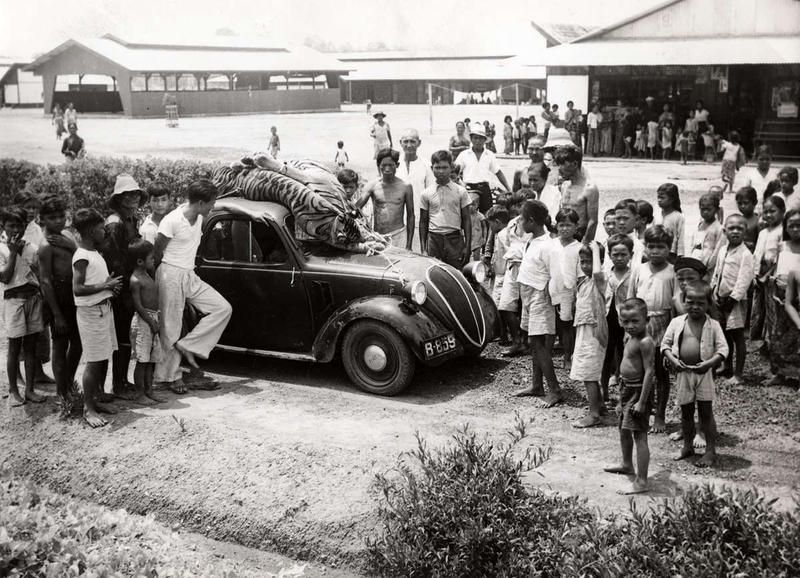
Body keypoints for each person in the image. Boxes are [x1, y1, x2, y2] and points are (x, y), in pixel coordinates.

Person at [154, 179, 232, 392]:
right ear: (199, 203)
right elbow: (156, 252)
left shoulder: (198, 216)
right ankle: (170, 377)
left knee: (222, 308)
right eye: (211, 203)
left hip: (189, 274)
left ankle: (188, 345)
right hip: (170, 274)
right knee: (170, 327)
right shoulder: (171, 221)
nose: (213, 207)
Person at [662, 280, 728, 468]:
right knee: (686, 412)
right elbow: (665, 345)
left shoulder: (713, 325)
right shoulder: (676, 322)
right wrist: (673, 360)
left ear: (708, 304)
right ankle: (687, 446)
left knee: (706, 412)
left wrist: (708, 364)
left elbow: (723, 350)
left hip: (704, 373)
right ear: (683, 301)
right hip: (683, 373)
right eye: (690, 302)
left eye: (701, 303)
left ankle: (710, 451)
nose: (695, 306)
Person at [72, 208, 123, 427]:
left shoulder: (94, 253)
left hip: (103, 310)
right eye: (102, 228)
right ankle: (88, 408)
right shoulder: (82, 256)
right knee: (93, 361)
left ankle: (96, 399)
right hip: (91, 313)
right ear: (93, 231)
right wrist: (105, 285)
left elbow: (96, 283)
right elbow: (78, 289)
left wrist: (109, 288)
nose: (105, 232)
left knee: (102, 357)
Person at [515, 200, 564, 407]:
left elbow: (557, 275)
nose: (519, 222)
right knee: (534, 342)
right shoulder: (533, 241)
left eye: (522, 219)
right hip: (528, 295)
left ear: (532, 221)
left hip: (539, 297)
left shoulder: (549, 246)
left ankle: (555, 390)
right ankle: (537, 385)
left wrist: (550, 294)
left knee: (539, 343)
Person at [604, 297, 655, 495]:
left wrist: (642, 401)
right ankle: (627, 464)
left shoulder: (645, 342)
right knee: (623, 430)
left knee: (639, 435)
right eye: (625, 321)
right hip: (626, 390)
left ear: (646, 319)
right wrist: (619, 399)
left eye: (635, 321)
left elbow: (650, 372)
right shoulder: (628, 337)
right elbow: (624, 365)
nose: (630, 326)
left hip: (638, 391)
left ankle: (642, 481)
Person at [101, 174, 144, 397]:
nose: (134, 197)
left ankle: (122, 381)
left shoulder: (130, 220)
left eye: (136, 193)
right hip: (120, 286)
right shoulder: (115, 223)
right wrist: (120, 286)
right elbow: (113, 258)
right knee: (119, 336)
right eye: (128, 194)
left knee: (125, 336)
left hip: (129, 283)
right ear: (119, 198)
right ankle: (117, 384)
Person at [628, 225, 675, 433]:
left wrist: (672, 340)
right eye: (651, 246)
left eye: (661, 247)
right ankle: (641, 409)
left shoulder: (672, 273)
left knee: (660, 371)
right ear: (645, 247)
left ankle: (661, 416)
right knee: (639, 370)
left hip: (662, 324)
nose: (655, 251)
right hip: (639, 324)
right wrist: (626, 331)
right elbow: (630, 299)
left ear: (669, 248)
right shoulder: (639, 269)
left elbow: (674, 306)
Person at [37, 195, 81, 407]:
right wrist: (56, 314)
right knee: (60, 343)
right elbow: (45, 281)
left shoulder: (66, 236)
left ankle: (68, 382)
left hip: (73, 295)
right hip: (57, 297)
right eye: (52, 217)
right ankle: (61, 393)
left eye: (61, 216)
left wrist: (70, 245)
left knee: (79, 343)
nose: (58, 221)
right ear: (42, 219)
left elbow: (80, 256)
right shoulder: (45, 245)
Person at [0, 207, 44, 405]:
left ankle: (30, 390)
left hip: (33, 298)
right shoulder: (1, 248)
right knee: (14, 347)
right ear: (4, 226)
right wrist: (13, 253)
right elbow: (5, 277)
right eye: (11, 225)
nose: (15, 229)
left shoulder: (32, 248)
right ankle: (13, 391)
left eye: (19, 225)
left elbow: (39, 275)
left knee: (32, 347)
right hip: (14, 300)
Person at [711, 215, 755, 385]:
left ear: (745, 231)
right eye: (731, 228)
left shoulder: (745, 254)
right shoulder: (723, 250)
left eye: (740, 229)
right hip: (720, 299)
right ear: (725, 231)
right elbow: (717, 272)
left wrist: (733, 298)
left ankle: (738, 374)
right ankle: (726, 365)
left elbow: (744, 279)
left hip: (735, 301)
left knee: (737, 336)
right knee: (724, 334)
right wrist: (713, 290)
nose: (735, 232)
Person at [571, 242, 608, 428]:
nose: (585, 265)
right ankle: (599, 405)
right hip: (584, 329)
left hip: (594, 331)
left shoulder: (599, 280)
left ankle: (593, 414)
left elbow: (596, 272)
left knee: (589, 374)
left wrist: (595, 251)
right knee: (589, 370)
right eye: (582, 262)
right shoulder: (584, 282)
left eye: (589, 262)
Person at [419, 150, 471, 268]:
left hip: (454, 239)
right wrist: (423, 249)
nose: (441, 171)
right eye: (437, 168)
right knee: (434, 273)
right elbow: (423, 222)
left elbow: (467, 219)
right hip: (434, 239)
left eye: (444, 167)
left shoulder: (460, 191)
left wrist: (467, 246)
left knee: (456, 273)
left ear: (451, 167)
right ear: (432, 168)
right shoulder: (426, 193)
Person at [128, 239, 165, 404]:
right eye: (151, 258)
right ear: (140, 261)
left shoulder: (147, 276)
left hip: (152, 319)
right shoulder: (136, 280)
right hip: (144, 322)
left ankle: (150, 390)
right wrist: (151, 322)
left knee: (151, 360)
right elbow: (138, 306)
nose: (153, 260)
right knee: (142, 360)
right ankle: (140, 393)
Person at [767, 209, 800, 387]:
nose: (795, 229)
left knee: (796, 336)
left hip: (797, 294)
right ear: (786, 227)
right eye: (791, 225)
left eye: (799, 225)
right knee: (777, 334)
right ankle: (779, 372)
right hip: (780, 293)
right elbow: (777, 268)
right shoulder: (783, 245)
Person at [358, 148, 414, 250]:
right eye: (384, 165)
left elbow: (411, 216)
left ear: (397, 165)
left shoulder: (405, 186)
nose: (387, 169)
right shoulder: (372, 186)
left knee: (398, 264)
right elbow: (356, 209)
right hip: (378, 236)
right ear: (379, 166)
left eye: (390, 165)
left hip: (399, 235)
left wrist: (409, 245)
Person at [496, 200, 531, 357]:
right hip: (512, 269)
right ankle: (516, 341)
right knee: (506, 305)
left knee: (526, 307)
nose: (518, 217)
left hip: (528, 270)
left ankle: (525, 342)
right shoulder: (511, 225)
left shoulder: (533, 227)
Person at [601, 234, 633, 401]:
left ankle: (624, 394)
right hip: (608, 319)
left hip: (626, 321)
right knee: (606, 356)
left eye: (623, 254)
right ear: (609, 255)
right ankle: (603, 391)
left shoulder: (633, 275)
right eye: (615, 255)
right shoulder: (606, 275)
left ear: (631, 255)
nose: (619, 258)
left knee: (625, 355)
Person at [550, 208, 582, 372]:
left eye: (569, 225)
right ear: (556, 226)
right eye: (561, 225)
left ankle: (568, 357)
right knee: (551, 323)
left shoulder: (579, 248)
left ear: (576, 227)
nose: (564, 229)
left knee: (567, 325)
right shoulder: (551, 244)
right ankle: (547, 357)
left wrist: (578, 297)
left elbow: (580, 275)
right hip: (551, 289)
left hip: (568, 291)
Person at [455, 123, 510, 214]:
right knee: (469, 216)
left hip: (485, 189)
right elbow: (455, 171)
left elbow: (498, 172)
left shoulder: (489, 155)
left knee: (487, 215)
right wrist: (461, 184)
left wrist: (508, 188)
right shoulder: (464, 154)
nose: (478, 141)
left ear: (485, 140)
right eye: (475, 138)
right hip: (469, 189)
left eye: (480, 138)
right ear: (471, 139)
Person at [751, 195, 785, 342]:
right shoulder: (763, 232)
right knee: (759, 309)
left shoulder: (783, 232)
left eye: (773, 211)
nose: (769, 215)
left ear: (783, 211)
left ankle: (774, 341)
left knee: (773, 310)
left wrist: (767, 276)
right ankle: (759, 341)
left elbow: (781, 258)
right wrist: (754, 274)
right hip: (759, 276)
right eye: (766, 212)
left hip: (772, 277)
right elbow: (757, 255)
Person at [396, 129, 435, 252]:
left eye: (412, 141)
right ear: (400, 143)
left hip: (419, 221)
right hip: (397, 223)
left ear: (419, 143)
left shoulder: (426, 165)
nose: (409, 145)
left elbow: (431, 194)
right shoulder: (393, 164)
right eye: (405, 141)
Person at [553, 144, 599, 243]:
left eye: (562, 164)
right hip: (563, 234)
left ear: (574, 164)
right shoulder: (564, 185)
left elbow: (593, 221)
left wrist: (586, 243)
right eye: (558, 165)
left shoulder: (589, 188)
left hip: (579, 236)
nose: (559, 169)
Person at [689, 192, 724, 272]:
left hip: (708, 262)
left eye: (709, 209)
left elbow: (718, 249)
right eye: (703, 209)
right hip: (696, 258)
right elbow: (693, 243)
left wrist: (709, 266)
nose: (705, 212)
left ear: (716, 210)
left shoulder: (719, 228)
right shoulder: (700, 225)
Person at [656, 183, 685, 260]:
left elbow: (681, 237)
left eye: (662, 198)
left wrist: (680, 255)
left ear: (671, 199)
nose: (659, 200)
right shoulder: (657, 215)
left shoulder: (678, 217)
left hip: (670, 254)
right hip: (656, 251)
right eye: (658, 197)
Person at [736, 187, 760, 255]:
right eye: (739, 203)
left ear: (755, 202)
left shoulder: (757, 221)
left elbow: (760, 243)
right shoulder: (737, 220)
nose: (742, 206)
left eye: (745, 203)